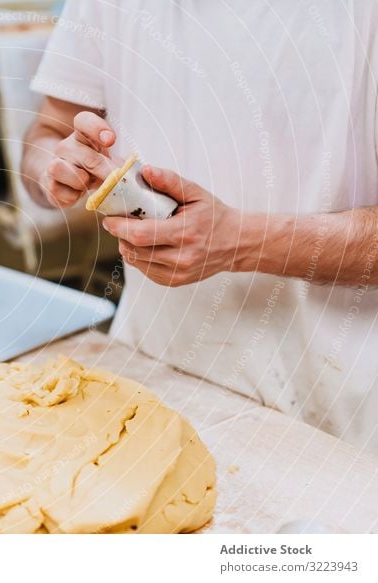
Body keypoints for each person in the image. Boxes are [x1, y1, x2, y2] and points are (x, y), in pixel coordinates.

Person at [21, 0, 378, 454]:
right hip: (155, 384)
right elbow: (45, 134)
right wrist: (52, 167)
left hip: (337, 417)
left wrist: (242, 243)